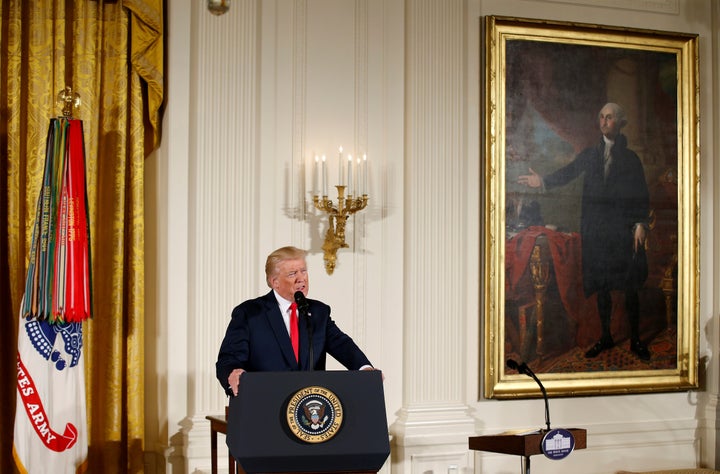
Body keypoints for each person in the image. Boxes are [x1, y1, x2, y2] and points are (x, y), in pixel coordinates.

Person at [517, 102, 651, 360]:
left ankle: (635, 340)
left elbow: (641, 195)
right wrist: (542, 181)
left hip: (622, 232)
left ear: (620, 123)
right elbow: (568, 173)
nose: (603, 121)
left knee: (629, 287)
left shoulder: (631, 159)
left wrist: (640, 224)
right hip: (597, 232)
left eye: (609, 117)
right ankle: (606, 337)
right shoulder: (590, 155)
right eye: (601, 116)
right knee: (601, 286)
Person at [216, 246, 377, 397]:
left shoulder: (319, 312)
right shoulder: (249, 313)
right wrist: (233, 372)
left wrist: (365, 368)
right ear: (275, 282)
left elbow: (342, 344)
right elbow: (229, 358)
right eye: (292, 274)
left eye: (303, 271)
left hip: (309, 405)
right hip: (265, 401)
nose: (301, 279)